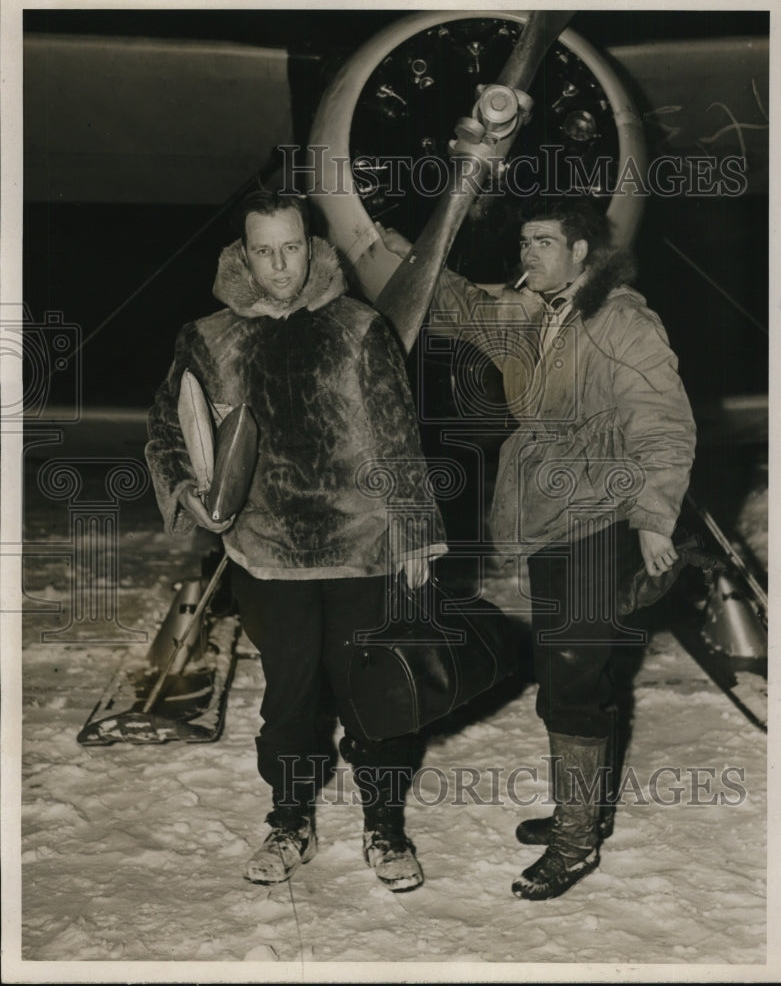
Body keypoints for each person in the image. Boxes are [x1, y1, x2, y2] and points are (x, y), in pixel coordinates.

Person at [378, 198, 696, 899]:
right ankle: (574, 809)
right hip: (550, 521)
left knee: (573, 682)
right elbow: (460, 310)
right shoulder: (535, 314)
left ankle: (577, 842)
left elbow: (662, 422)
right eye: (523, 243)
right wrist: (407, 248)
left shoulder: (622, 322)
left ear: (583, 253)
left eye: (542, 243)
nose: (527, 254)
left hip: (599, 519)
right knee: (569, 672)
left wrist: (651, 518)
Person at [146, 190, 447, 893]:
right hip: (266, 551)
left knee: (373, 698)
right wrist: (192, 494)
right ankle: (289, 821)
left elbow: (398, 436)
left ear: (312, 247)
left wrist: (415, 538)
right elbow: (169, 428)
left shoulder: (358, 327)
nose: (279, 266)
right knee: (288, 699)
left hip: (360, 546)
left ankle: (384, 827)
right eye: (263, 251)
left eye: (290, 248)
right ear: (241, 255)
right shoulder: (208, 336)